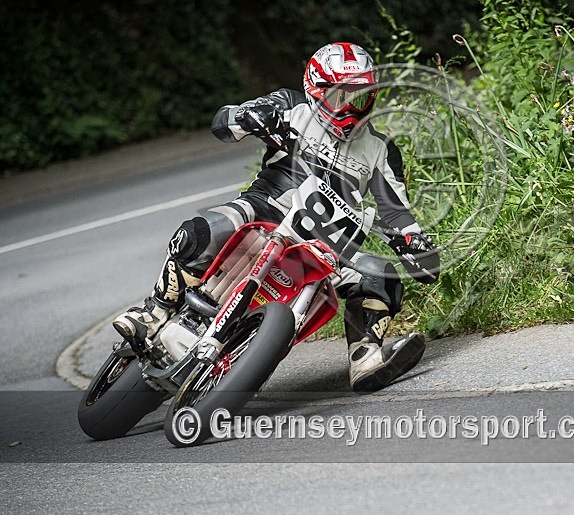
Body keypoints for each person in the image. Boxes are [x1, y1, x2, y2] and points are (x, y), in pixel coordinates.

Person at [113, 42, 440, 392]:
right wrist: (247, 116)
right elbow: (224, 123)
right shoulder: (289, 105)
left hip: (329, 245)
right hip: (263, 211)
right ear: (315, 89)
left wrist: (414, 242)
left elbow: (397, 212)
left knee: (382, 276)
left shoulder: (381, 149)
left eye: (359, 98)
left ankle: (365, 356)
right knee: (202, 231)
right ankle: (155, 310)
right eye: (339, 96)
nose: (348, 108)